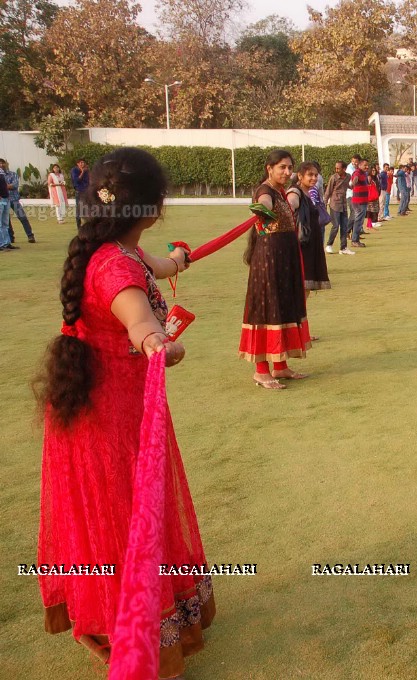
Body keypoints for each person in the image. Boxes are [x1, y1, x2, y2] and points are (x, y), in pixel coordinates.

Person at [36, 147, 214, 677]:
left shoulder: (119, 249)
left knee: (127, 511)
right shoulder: (115, 266)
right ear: (155, 206)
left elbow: (157, 266)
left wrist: (179, 259)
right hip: (109, 419)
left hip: (108, 405)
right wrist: (159, 342)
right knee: (123, 517)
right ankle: (126, 626)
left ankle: (132, 613)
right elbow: (137, 318)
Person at [241, 149, 313, 389]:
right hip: (269, 260)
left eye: (290, 168)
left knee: (282, 306)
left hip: (285, 259)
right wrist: (263, 211)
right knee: (267, 308)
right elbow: (262, 204)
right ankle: (261, 371)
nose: (287, 172)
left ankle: (280, 365)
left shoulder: (280, 192)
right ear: (269, 168)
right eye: (282, 167)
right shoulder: (265, 192)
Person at [289, 161, 331, 298]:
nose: (314, 178)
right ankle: (296, 318)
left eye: (316, 175)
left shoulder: (310, 192)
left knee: (305, 290)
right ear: (300, 176)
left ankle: (301, 318)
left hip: (312, 243)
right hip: (302, 245)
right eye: (310, 175)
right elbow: (291, 202)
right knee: (300, 288)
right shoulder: (295, 191)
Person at [1, 158, 35, 243]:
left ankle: (30, 236)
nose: (1, 165)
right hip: (4, 200)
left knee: (23, 218)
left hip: (14, 199)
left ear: (6, 164)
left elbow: (15, 185)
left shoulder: (13, 174)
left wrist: (3, 186)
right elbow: (9, 186)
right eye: (0, 164)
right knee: (7, 221)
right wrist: (7, 186)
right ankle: (11, 238)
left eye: (3, 163)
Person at [324, 162, 353, 255]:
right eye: (336, 168)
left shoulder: (348, 176)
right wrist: (324, 204)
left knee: (344, 227)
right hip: (334, 204)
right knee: (335, 226)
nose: (336, 170)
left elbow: (347, 185)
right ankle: (329, 245)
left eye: (338, 168)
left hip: (344, 205)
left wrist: (353, 186)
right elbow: (328, 191)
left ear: (344, 169)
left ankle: (343, 247)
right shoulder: (334, 178)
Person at [348, 158, 370, 248]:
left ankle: (355, 239)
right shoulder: (357, 172)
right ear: (360, 165)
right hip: (359, 201)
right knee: (358, 221)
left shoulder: (363, 173)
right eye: (365, 165)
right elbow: (355, 179)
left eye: (367, 165)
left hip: (363, 201)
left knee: (359, 221)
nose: (367, 167)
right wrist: (353, 183)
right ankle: (354, 240)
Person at [71, 158, 90, 229]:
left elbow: (89, 181)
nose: (82, 164)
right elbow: (76, 181)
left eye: (83, 162)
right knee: (79, 209)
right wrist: (82, 172)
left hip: (87, 192)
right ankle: (79, 227)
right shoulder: (74, 170)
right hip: (79, 192)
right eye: (81, 162)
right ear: (78, 164)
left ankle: (86, 225)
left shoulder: (87, 171)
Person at [0, 166, 11, 251]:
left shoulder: (2, 171)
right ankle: (1, 244)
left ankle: (6, 243)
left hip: (6, 198)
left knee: (5, 223)